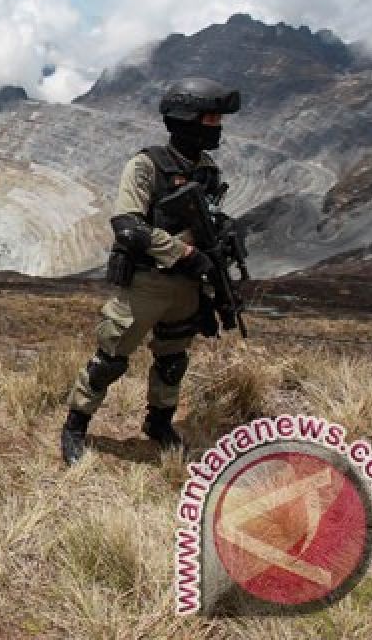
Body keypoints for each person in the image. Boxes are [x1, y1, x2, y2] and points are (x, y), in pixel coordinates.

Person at [60, 77, 242, 465]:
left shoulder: (207, 170)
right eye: (210, 118)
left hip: (186, 288)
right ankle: (76, 424)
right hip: (147, 283)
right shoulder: (146, 166)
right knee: (110, 358)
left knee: (173, 359)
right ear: (186, 119)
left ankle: (159, 422)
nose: (217, 127)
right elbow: (128, 225)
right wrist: (183, 252)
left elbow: (207, 220)